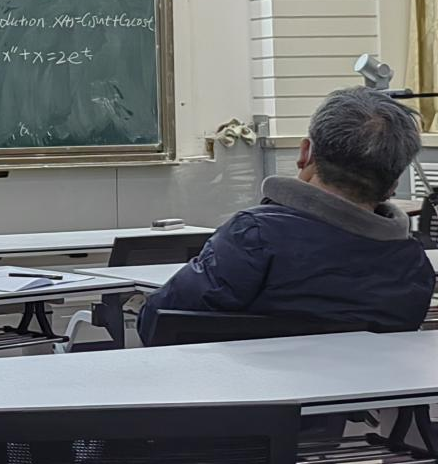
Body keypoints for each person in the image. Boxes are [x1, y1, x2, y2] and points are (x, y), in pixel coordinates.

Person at [139, 87, 435, 344]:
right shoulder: (411, 266)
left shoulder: (254, 236)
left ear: (306, 153)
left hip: (246, 390)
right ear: (394, 181)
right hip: (359, 393)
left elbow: (157, 322)